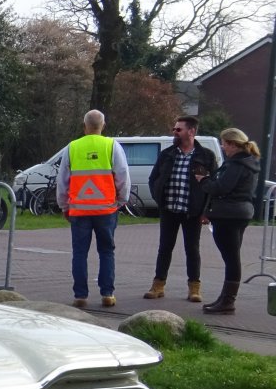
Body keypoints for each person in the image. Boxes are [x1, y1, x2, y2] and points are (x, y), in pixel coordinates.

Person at [56, 109, 129, 309]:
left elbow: (62, 181)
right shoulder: (112, 146)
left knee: (79, 253)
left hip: (79, 210)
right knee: (106, 251)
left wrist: (64, 205)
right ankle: (107, 294)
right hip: (106, 209)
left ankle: (80, 295)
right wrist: (121, 200)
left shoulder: (72, 147)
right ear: (103, 126)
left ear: (84, 126)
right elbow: (122, 175)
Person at [144, 115, 216, 302]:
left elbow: (213, 186)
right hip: (169, 209)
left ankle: (194, 288)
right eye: (174, 129)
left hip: (192, 211)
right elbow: (153, 178)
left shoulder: (205, 156)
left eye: (178, 129)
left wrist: (207, 211)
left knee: (192, 249)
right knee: (164, 248)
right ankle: (158, 285)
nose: (174, 132)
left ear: (191, 132)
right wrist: (158, 197)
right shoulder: (168, 154)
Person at [194, 127, 261, 315]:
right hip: (241, 212)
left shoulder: (236, 165)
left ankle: (228, 301)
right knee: (232, 256)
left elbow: (222, 188)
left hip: (228, 214)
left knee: (231, 258)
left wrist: (203, 181)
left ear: (233, 144)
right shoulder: (248, 162)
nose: (223, 147)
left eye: (224, 144)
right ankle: (225, 298)